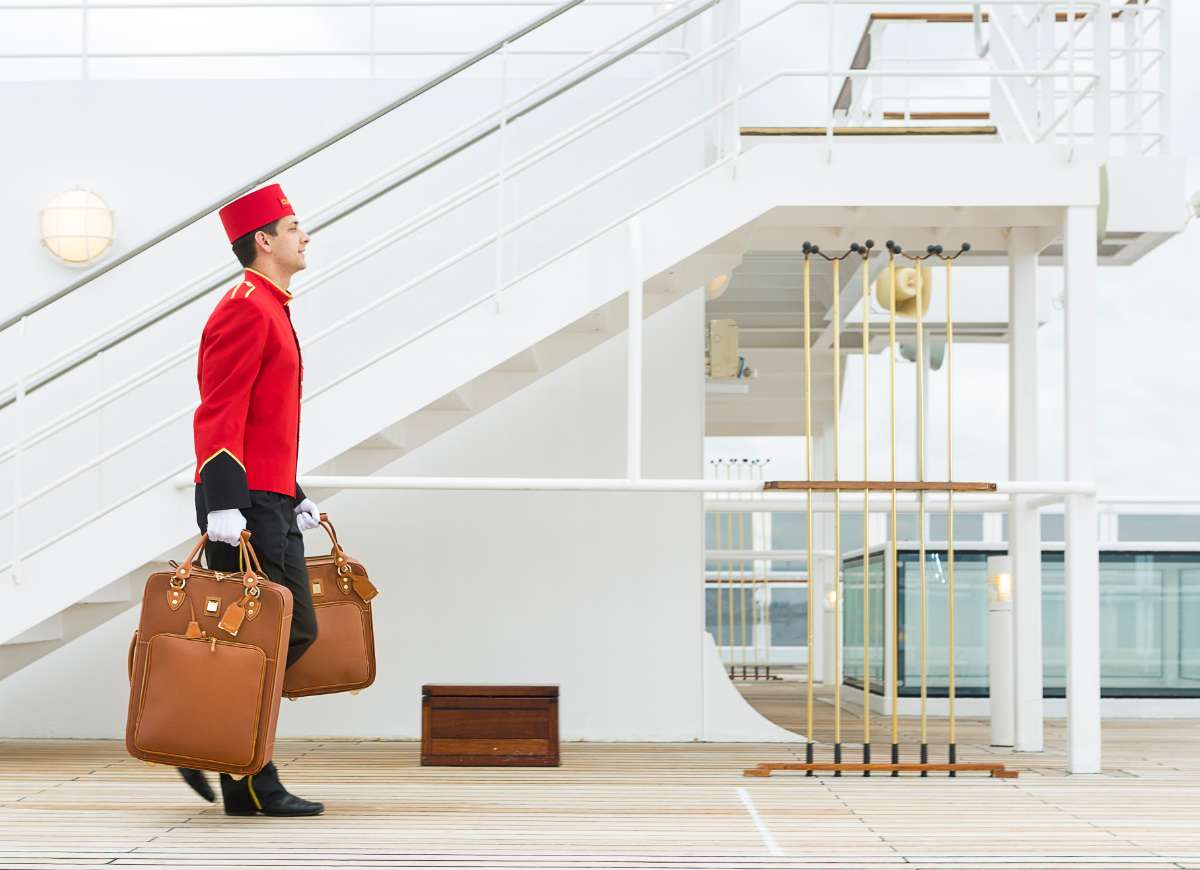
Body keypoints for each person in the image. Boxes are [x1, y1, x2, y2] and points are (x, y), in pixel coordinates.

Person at [176, 183, 324, 817]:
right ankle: (241, 771)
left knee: (284, 635)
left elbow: (266, 420)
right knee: (265, 638)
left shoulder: (272, 306)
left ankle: (220, 751)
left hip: (269, 499)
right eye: (294, 227)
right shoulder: (245, 307)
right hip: (244, 506)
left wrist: (294, 493)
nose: (305, 236)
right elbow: (220, 412)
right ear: (264, 241)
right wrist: (223, 507)